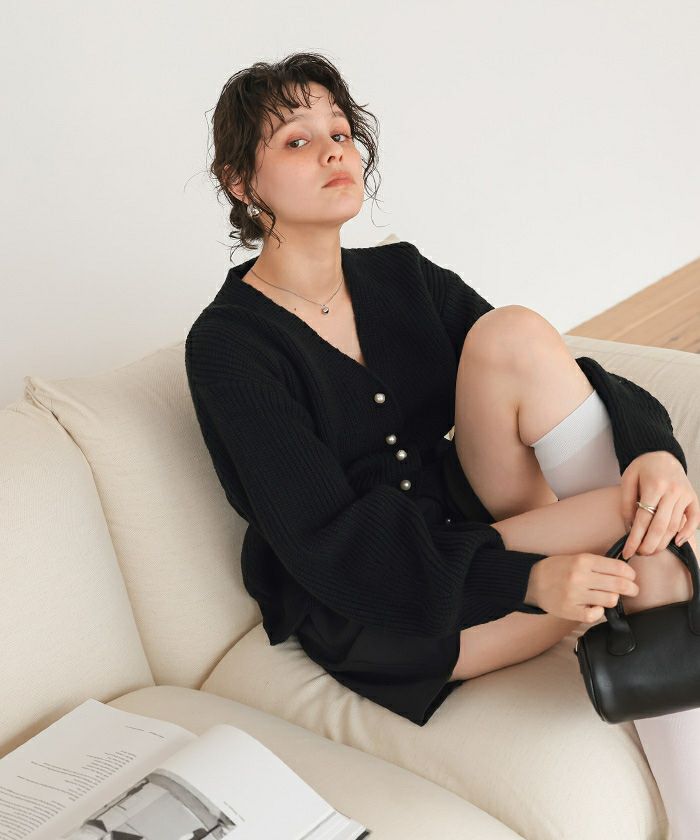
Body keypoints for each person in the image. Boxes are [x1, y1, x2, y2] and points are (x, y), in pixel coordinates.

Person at [185, 52, 700, 836]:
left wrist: (651, 452)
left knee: (517, 337)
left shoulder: (402, 276)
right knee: (654, 551)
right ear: (240, 183)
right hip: (383, 599)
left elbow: (563, 371)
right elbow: (330, 548)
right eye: (296, 141)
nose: (332, 152)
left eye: (340, 132)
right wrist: (529, 580)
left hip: (474, 526)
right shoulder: (229, 347)